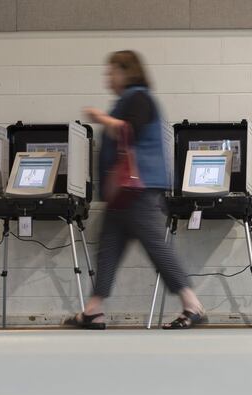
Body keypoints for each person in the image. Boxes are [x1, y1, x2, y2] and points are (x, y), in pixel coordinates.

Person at [65, 50, 206, 329]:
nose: (108, 77)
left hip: (140, 190)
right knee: (108, 248)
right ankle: (93, 310)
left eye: (112, 72)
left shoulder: (139, 98)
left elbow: (131, 131)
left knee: (156, 246)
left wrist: (100, 118)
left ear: (127, 71)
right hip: (124, 193)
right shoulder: (125, 101)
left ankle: (193, 305)